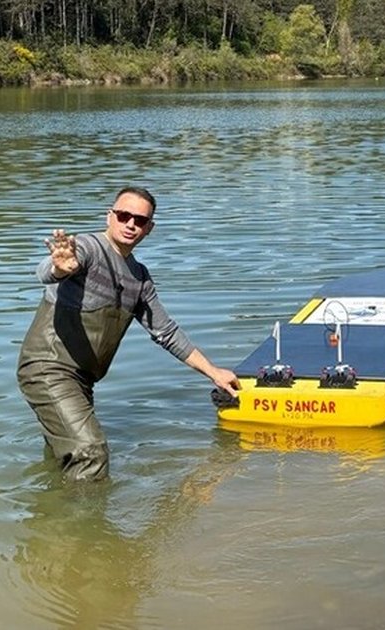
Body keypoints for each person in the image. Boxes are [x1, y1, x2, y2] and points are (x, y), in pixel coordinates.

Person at [17, 186, 240, 482]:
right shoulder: (86, 248)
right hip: (48, 369)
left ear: (150, 228)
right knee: (90, 452)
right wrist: (60, 269)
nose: (131, 224)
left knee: (64, 454)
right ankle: (85, 526)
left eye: (140, 220)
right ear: (110, 217)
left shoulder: (139, 278)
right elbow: (48, 269)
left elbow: (167, 332)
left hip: (82, 380)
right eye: (123, 215)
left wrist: (213, 372)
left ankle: (50, 520)